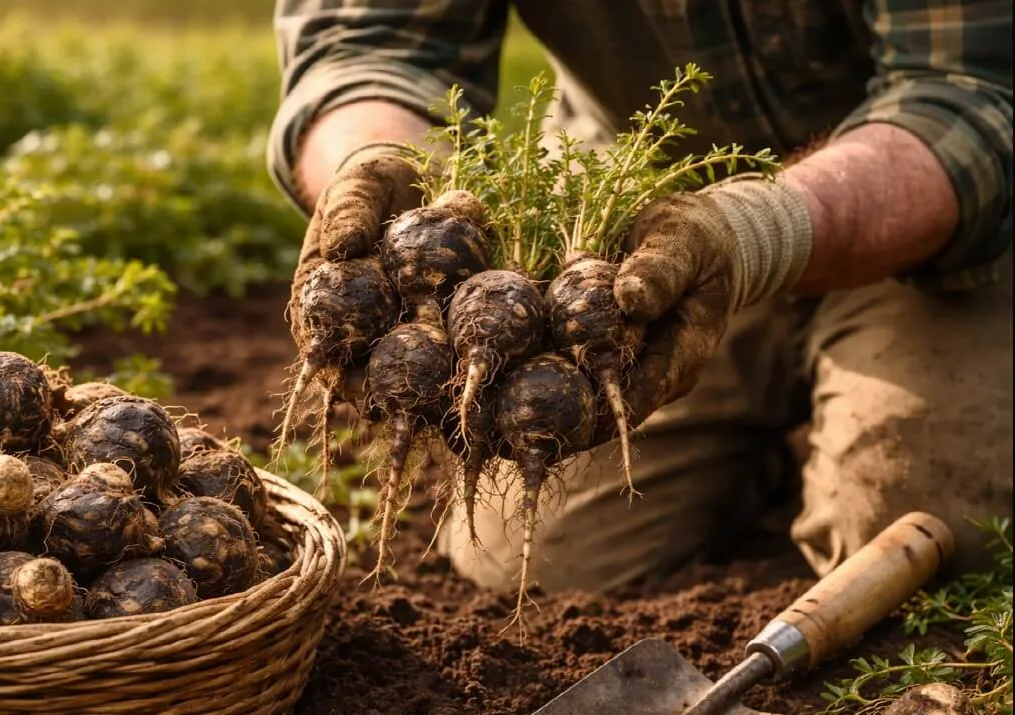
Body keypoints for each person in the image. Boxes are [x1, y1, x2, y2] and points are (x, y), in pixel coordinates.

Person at [267, 1, 1013, 594]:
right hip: (637, 261)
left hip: (941, 232)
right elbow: (366, 41)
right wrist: (374, 164)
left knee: (931, 537)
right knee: (539, 559)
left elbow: (974, 96)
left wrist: (751, 233)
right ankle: (764, 456)